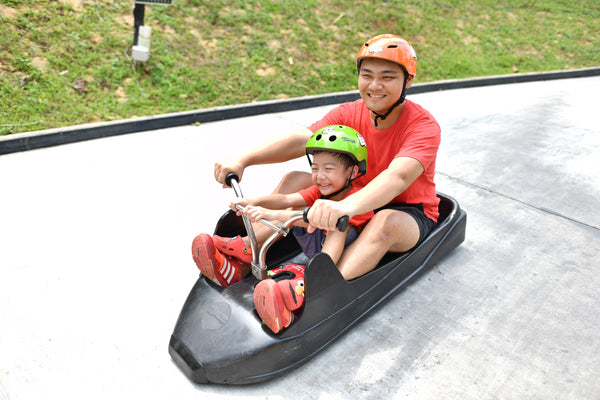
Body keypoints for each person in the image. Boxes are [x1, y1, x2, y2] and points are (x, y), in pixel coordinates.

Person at [213, 33, 441, 283]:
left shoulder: (423, 126)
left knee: (385, 221)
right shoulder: (349, 112)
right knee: (295, 179)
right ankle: (246, 255)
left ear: (408, 80)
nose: (375, 86)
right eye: (367, 76)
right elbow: (304, 140)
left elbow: (398, 176)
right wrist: (244, 159)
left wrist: (345, 207)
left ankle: (315, 291)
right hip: (353, 195)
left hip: (405, 212)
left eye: (387, 77)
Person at [191, 125, 373, 292]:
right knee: (303, 204)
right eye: (315, 168)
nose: (320, 176)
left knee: (337, 224)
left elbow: (318, 218)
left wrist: (272, 214)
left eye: (329, 169)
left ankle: (316, 279)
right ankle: (246, 250)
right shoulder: (320, 191)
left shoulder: (356, 198)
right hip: (316, 244)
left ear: (353, 172)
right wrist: (252, 202)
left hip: (340, 252)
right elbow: (286, 199)